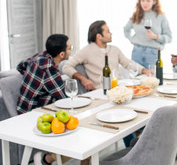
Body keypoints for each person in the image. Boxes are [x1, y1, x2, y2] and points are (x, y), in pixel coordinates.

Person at [16, 34, 80, 165]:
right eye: (69, 48)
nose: (70, 50)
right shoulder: (48, 69)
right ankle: (47, 159)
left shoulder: (40, 56)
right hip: (32, 113)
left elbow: (20, 66)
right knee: (79, 136)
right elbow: (64, 98)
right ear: (62, 54)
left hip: (25, 107)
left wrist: (36, 82)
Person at [63, 20, 149, 91]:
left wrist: (144, 70)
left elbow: (128, 63)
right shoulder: (86, 51)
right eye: (108, 31)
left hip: (121, 89)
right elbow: (66, 67)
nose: (111, 33)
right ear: (99, 36)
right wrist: (83, 78)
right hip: (101, 91)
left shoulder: (115, 49)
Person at [124, 0, 172, 68]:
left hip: (153, 52)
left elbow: (169, 38)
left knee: (152, 78)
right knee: (135, 77)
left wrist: (156, 36)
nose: (145, 3)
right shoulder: (136, 15)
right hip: (137, 51)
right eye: (142, 0)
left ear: (154, 2)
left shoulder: (161, 17)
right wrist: (131, 39)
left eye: (148, 0)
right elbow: (126, 29)